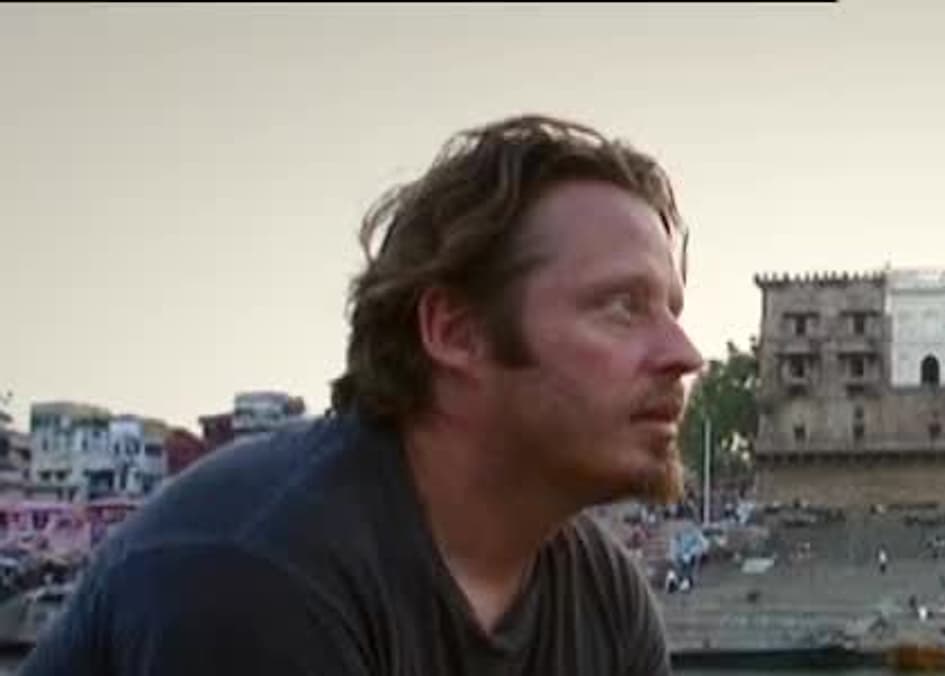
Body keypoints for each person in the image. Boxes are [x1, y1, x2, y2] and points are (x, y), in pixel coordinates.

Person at [22, 115, 702, 675]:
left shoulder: (604, 599)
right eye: (622, 306)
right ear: (455, 333)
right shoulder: (261, 569)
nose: (685, 355)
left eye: (672, 310)